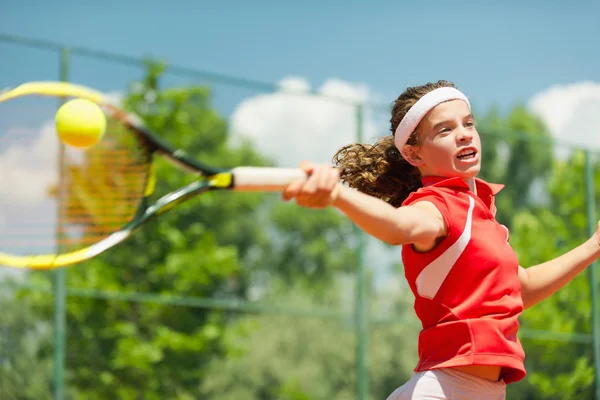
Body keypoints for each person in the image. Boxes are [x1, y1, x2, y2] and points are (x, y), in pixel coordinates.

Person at [281, 80, 600, 400]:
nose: (464, 133)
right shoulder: (435, 205)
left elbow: (521, 288)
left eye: (468, 123)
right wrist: (336, 195)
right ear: (412, 153)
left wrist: (594, 246)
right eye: (444, 130)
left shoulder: (481, 215)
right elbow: (396, 226)